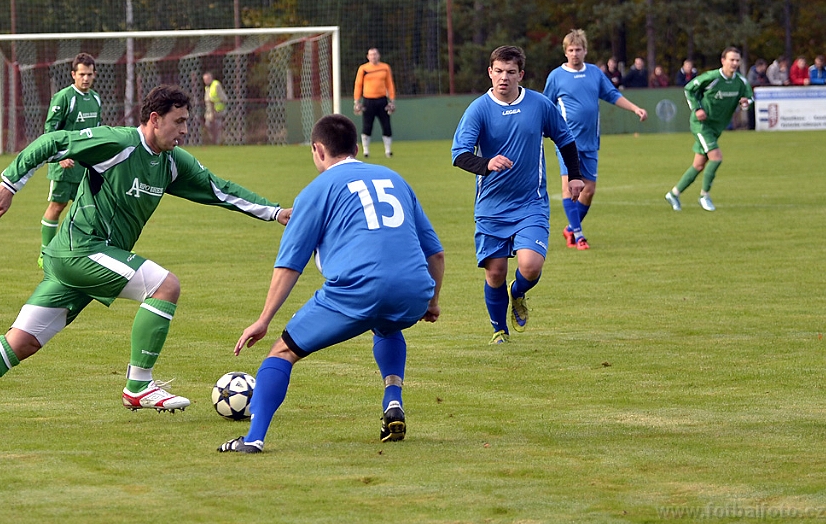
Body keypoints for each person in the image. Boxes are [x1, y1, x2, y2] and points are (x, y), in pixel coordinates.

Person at [0, 85, 291, 429]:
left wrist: (275, 213)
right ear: (155, 119)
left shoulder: (172, 162)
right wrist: (9, 184)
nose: (185, 130)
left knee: (22, 341)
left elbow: (219, 189)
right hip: (81, 249)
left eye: (186, 122)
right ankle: (138, 385)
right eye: (178, 122)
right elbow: (54, 141)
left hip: (80, 260)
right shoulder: (118, 143)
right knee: (165, 286)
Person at [217, 114, 444, 453]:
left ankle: (253, 439)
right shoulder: (394, 178)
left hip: (357, 290)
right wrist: (432, 302)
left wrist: (264, 319)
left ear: (318, 150)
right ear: (356, 149)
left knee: (282, 352)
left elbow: (289, 266)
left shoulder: (316, 191)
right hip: (413, 291)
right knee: (386, 324)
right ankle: (393, 399)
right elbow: (436, 253)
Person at [451, 45, 583, 344]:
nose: (504, 77)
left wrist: (575, 176)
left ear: (520, 74)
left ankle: (518, 291)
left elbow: (565, 139)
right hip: (491, 206)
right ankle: (499, 331)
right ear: (490, 72)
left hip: (530, 203)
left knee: (530, 266)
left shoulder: (539, 104)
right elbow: (459, 155)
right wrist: (486, 163)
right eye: (498, 71)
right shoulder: (478, 109)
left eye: (511, 72)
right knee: (495, 272)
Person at [543, 30, 647, 251]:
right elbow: (546, 105)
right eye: (571, 50)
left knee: (588, 190)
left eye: (578, 49)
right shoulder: (556, 76)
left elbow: (612, 95)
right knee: (569, 187)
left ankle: (571, 228)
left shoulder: (594, 73)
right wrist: (542, 128)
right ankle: (579, 235)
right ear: (565, 52)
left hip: (590, 141)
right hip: (566, 141)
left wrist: (634, 108)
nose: (575, 54)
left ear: (585, 51)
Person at [664, 47, 753, 213]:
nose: (734, 63)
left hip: (717, 127)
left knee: (698, 165)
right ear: (723, 61)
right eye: (731, 60)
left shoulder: (741, 81)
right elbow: (689, 88)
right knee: (716, 157)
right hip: (702, 125)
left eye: (737, 60)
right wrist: (697, 108)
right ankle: (704, 195)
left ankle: (674, 194)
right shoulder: (712, 77)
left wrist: (745, 103)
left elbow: (749, 98)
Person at [41, 52, 100, 268]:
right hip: (65, 166)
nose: (86, 78)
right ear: (73, 74)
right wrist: (59, 158)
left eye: (89, 74)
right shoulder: (64, 97)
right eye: (82, 74)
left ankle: (92, 251)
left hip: (86, 166)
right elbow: (50, 131)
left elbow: (96, 132)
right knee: (58, 206)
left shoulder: (95, 99)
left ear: (94, 75)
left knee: (93, 209)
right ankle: (45, 253)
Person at [352, 47, 397, 158]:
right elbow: (358, 85)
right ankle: (366, 151)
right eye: (371, 54)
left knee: (386, 125)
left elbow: (390, 84)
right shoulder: (363, 68)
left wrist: (392, 100)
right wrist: (357, 101)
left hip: (382, 100)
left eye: (375, 54)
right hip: (368, 100)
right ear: (368, 57)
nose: (373, 56)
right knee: (367, 126)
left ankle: (388, 151)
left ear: (379, 55)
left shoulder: (385, 67)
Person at [202, 71, 227, 144]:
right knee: (208, 125)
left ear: (211, 78)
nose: (205, 81)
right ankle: (213, 140)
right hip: (209, 111)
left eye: (207, 79)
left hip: (217, 110)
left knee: (217, 127)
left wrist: (218, 104)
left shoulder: (216, 85)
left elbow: (224, 98)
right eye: (204, 80)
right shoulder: (207, 87)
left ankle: (217, 142)